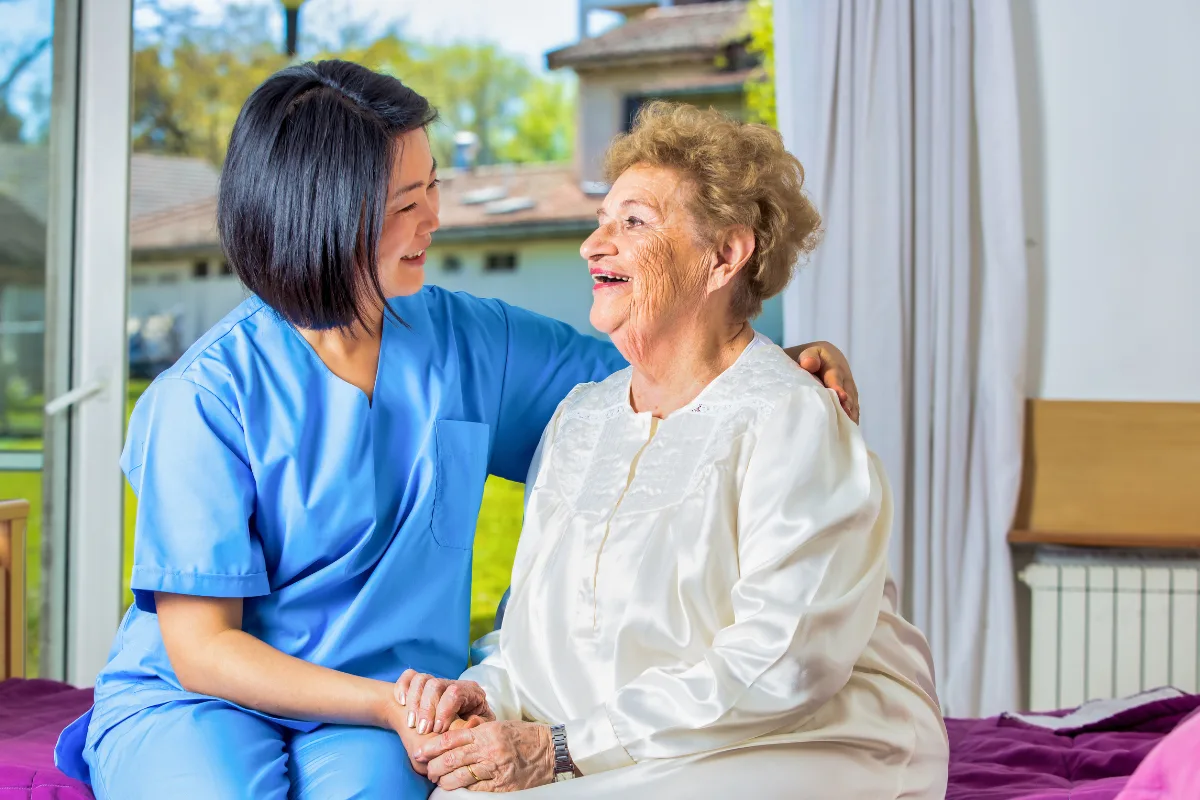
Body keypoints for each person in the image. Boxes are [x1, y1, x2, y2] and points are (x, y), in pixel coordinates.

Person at [52, 63, 860, 799]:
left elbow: (657, 375)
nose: (435, 217)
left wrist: (768, 364)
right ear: (327, 219)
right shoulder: (206, 396)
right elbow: (202, 649)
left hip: (384, 711)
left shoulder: (472, 344)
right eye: (407, 204)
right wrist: (390, 704)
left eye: (432, 186)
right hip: (206, 699)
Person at [398, 102, 948, 799]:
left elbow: (785, 663)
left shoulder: (792, 418)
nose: (593, 245)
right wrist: (486, 696)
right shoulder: (582, 417)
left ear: (725, 255)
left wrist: (563, 749)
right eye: (601, 221)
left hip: (798, 735)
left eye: (634, 222)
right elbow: (534, 630)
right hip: (616, 743)